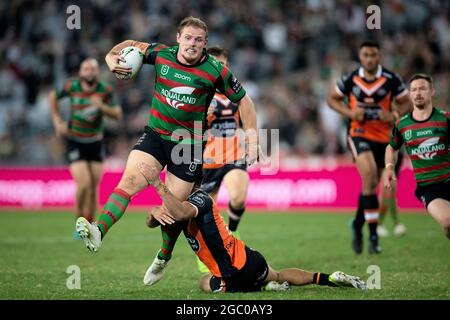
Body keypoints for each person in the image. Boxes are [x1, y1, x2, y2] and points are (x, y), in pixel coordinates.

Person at [75, 17, 258, 287]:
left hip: (188, 145)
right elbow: (130, 45)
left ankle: (163, 256)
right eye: (188, 37)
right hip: (156, 136)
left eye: (198, 39)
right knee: (129, 181)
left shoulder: (215, 70)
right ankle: (98, 229)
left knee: (172, 211)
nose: (192, 44)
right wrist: (110, 57)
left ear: (205, 44)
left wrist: (252, 135)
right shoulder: (162, 54)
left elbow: (243, 99)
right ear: (178, 37)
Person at [138, 161, 367, 293]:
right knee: (275, 274)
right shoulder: (180, 203)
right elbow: (154, 222)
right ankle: (329, 278)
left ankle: (263, 286)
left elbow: (179, 214)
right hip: (249, 261)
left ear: (194, 183)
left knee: (206, 284)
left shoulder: (201, 199)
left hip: (234, 271)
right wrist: (153, 213)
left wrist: (157, 184)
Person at [326, 40, 411, 254]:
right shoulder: (351, 79)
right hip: (359, 134)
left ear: (379, 57)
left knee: (371, 186)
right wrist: (350, 113)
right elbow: (332, 99)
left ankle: (357, 223)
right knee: (371, 176)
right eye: (365, 55)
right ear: (360, 57)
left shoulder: (391, 79)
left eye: (373, 55)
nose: (370, 59)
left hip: (385, 138)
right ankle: (373, 237)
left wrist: (394, 116)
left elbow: (406, 103)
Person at [49, 58, 122, 233]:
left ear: (97, 72)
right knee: (84, 184)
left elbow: (117, 114)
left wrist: (102, 107)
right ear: (81, 72)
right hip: (76, 141)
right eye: (86, 69)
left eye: (92, 69)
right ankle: (78, 221)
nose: (89, 72)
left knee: (93, 188)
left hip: (96, 142)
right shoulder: (71, 86)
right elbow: (53, 96)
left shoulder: (105, 90)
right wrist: (57, 120)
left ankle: (89, 225)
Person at [195, 46, 250, 272]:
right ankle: (205, 252)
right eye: (217, 64)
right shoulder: (199, 94)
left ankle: (234, 232)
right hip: (208, 160)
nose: (222, 68)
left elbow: (248, 116)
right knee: (206, 212)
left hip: (235, 155)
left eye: (224, 64)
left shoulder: (236, 93)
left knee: (238, 198)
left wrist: (253, 139)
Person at [384, 73, 450, 239]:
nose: (418, 93)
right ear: (410, 94)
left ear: (432, 91)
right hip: (429, 187)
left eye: (422, 88)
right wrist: (389, 168)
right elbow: (391, 148)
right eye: (414, 90)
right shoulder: (402, 124)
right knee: (448, 222)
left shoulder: (445, 118)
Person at [377, 149, 407, 237]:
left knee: (391, 193)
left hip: (397, 156)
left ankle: (393, 224)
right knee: (387, 192)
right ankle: (382, 224)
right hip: (386, 155)